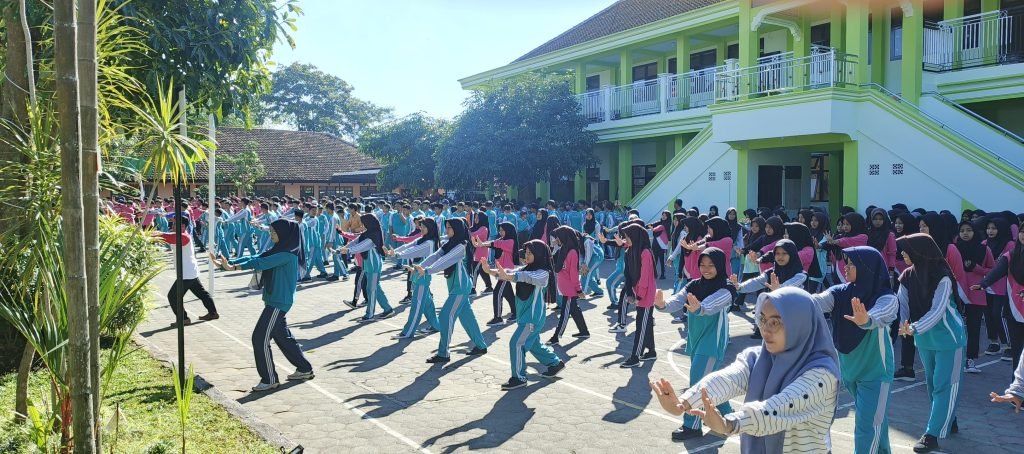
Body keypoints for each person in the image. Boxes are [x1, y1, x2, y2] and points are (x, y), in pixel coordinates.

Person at [650, 287, 840, 452]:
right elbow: (728, 379)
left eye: (776, 322)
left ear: (800, 324)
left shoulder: (822, 374)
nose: (765, 329)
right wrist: (684, 403)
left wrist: (730, 424)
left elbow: (778, 408)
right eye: (763, 319)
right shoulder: (759, 357)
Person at [809, 246, 898, 454]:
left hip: (876, 373)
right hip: (850, 371)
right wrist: (786, 297)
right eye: (845, 262)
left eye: (851, 264)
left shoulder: (886, 297)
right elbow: (815, 302)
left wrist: (866, 319)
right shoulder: (840, 292)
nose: (845, 267)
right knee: (876, 419)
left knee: (867, 426)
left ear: (867, 267)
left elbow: (882, 314)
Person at [211, 219, 315, 392]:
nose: (271, 234)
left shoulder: (287, 254)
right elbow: (257, 257)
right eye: (271, 231)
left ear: (284, 234)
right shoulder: (279, 250)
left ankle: (269, 378)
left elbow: (260, 263)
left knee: (259, 338)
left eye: (274, 232)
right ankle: (304, 368)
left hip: (278, 303)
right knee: (282, 337)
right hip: (274, 301)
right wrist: (227, 264)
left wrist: (233, 267)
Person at [653, 248, 735, 441]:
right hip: (696, 340)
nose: (705, 269)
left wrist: (699, 308)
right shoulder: (694, 284)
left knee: (697, 383)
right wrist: (662, 304)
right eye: (702, 265)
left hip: (712, 343)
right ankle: (728, 416)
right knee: (710, 382)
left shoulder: (727, 288)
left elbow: (712, 304)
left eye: (711, 265)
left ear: (720, 266)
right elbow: (677, 300)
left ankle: (692, 426)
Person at [896, 233, 966, 453]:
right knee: (933, 384)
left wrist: (913, 328)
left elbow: (937, 311)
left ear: (919, 251)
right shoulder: (906, 275)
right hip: (924, 338)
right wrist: (904, 325)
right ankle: (947, 418)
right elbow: (903, 303)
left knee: (944, 385)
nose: (902, 254)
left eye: (906, 249)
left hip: (949, 338)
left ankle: (931, 435)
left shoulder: (943, 276)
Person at [482, 240, 565, 390]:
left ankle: (519, 377)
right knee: (533, 344)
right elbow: (511, 273)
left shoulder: (543, 273)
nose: (526, 255)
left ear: (538, 254)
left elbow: (525, 277)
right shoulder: (526, 268)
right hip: (525, 318)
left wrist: (510, 276)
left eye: (530, 253)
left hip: (532, 318)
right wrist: (490, 271)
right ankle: (555, 363)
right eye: (525, 252)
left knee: (516, 343)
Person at [416, 218, 488, 364]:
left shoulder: (462, 245)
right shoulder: (450, 243)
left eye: (449, 227)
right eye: (446, 227)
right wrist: (420, 266)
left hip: (460, 288)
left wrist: (427, 271)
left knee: (444, 316)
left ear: (457, 228)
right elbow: (436, 255)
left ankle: (443, 353)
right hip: (456, 287)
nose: (447, 230)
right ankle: (481, 346)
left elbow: (446, 260)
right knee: (467, 318)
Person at [161, 215, 218, 326]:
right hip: (190, 271)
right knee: (202, 294)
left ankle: (184, 319)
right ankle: (213, 313)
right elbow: (169, 237)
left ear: (183, 226)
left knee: (173, 296)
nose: (172, 226)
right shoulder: (179, 235)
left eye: (174, 224)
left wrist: (153, 235)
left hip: (186, 273)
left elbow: (167, 237)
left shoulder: (184, 237)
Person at [389, 218, 442, 339]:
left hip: (423, 276)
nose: (421, 229)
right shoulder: (424, 239)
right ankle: (436, 325)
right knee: (427, 304)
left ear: (430, 228)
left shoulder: (430, 243)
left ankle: (408, 332)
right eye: (420, 226)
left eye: (423, 227)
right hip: (417, 274)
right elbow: (410, 245)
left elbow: (413, 251)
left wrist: (397, 254)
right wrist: (394, 252)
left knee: (416, 305)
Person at [338, 214, 394, 321]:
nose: (362, 225)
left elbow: (362, 246)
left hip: (374, 265)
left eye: (363, 223)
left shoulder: (374, 235)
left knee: (371, 289)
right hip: (368, 264)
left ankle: (370, 314)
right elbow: (356, 241)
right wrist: (344, 247)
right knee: (375, 288)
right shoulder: (367, 233)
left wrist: (348, 250)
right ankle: (388, 309)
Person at [620, 223, 656, 368]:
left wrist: (639, 296)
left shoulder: (645, 252)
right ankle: (651, 351)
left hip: (646, 294)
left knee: (640, 325)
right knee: (646, 323)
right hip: (637, 291)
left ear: (635, 236)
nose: (625, 239)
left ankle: (635, 356)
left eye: (627, 237)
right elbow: (628, 274)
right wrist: (630, 292)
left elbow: (645, 278)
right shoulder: (630, 251)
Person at [547, 226, 590, 345]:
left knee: (564, 314)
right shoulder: (564, 249)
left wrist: (578, 290)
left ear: (564, 237)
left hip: (570, 290)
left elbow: (573, 275)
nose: (557, 240)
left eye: (558, 238)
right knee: (574, 309)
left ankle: (556, 336)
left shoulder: (572, 253)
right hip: (565, 288)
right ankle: (584, 331)